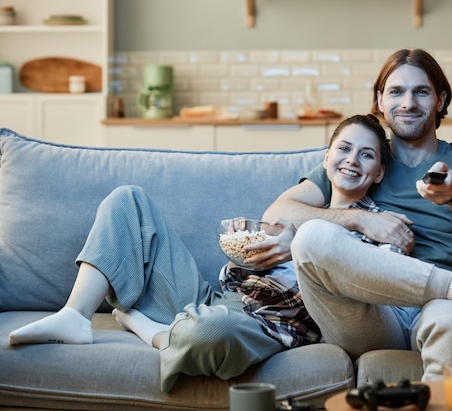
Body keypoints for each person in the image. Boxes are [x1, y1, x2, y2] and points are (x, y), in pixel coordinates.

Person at [7, 113, 399, 392]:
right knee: (128, 199)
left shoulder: (379, 224)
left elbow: (363, 290)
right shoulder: (300, 208)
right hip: (215, 296)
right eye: (344, 148)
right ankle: (75, 316)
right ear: (326, 158)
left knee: (211, 330)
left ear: (379, 172)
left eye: (366, 155)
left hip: (269, 325)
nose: (352, 159)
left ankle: (148, 328)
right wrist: (249, 246)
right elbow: (262, 249)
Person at [260, 48, 452, 380]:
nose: (407, 103)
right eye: (396, 91)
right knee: (312, 236)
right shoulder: (364, 158)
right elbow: (280, 212)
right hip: (368, 311)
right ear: (379, 99)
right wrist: (361, 219)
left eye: (420, 91)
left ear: (440, 100)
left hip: (441, 308)